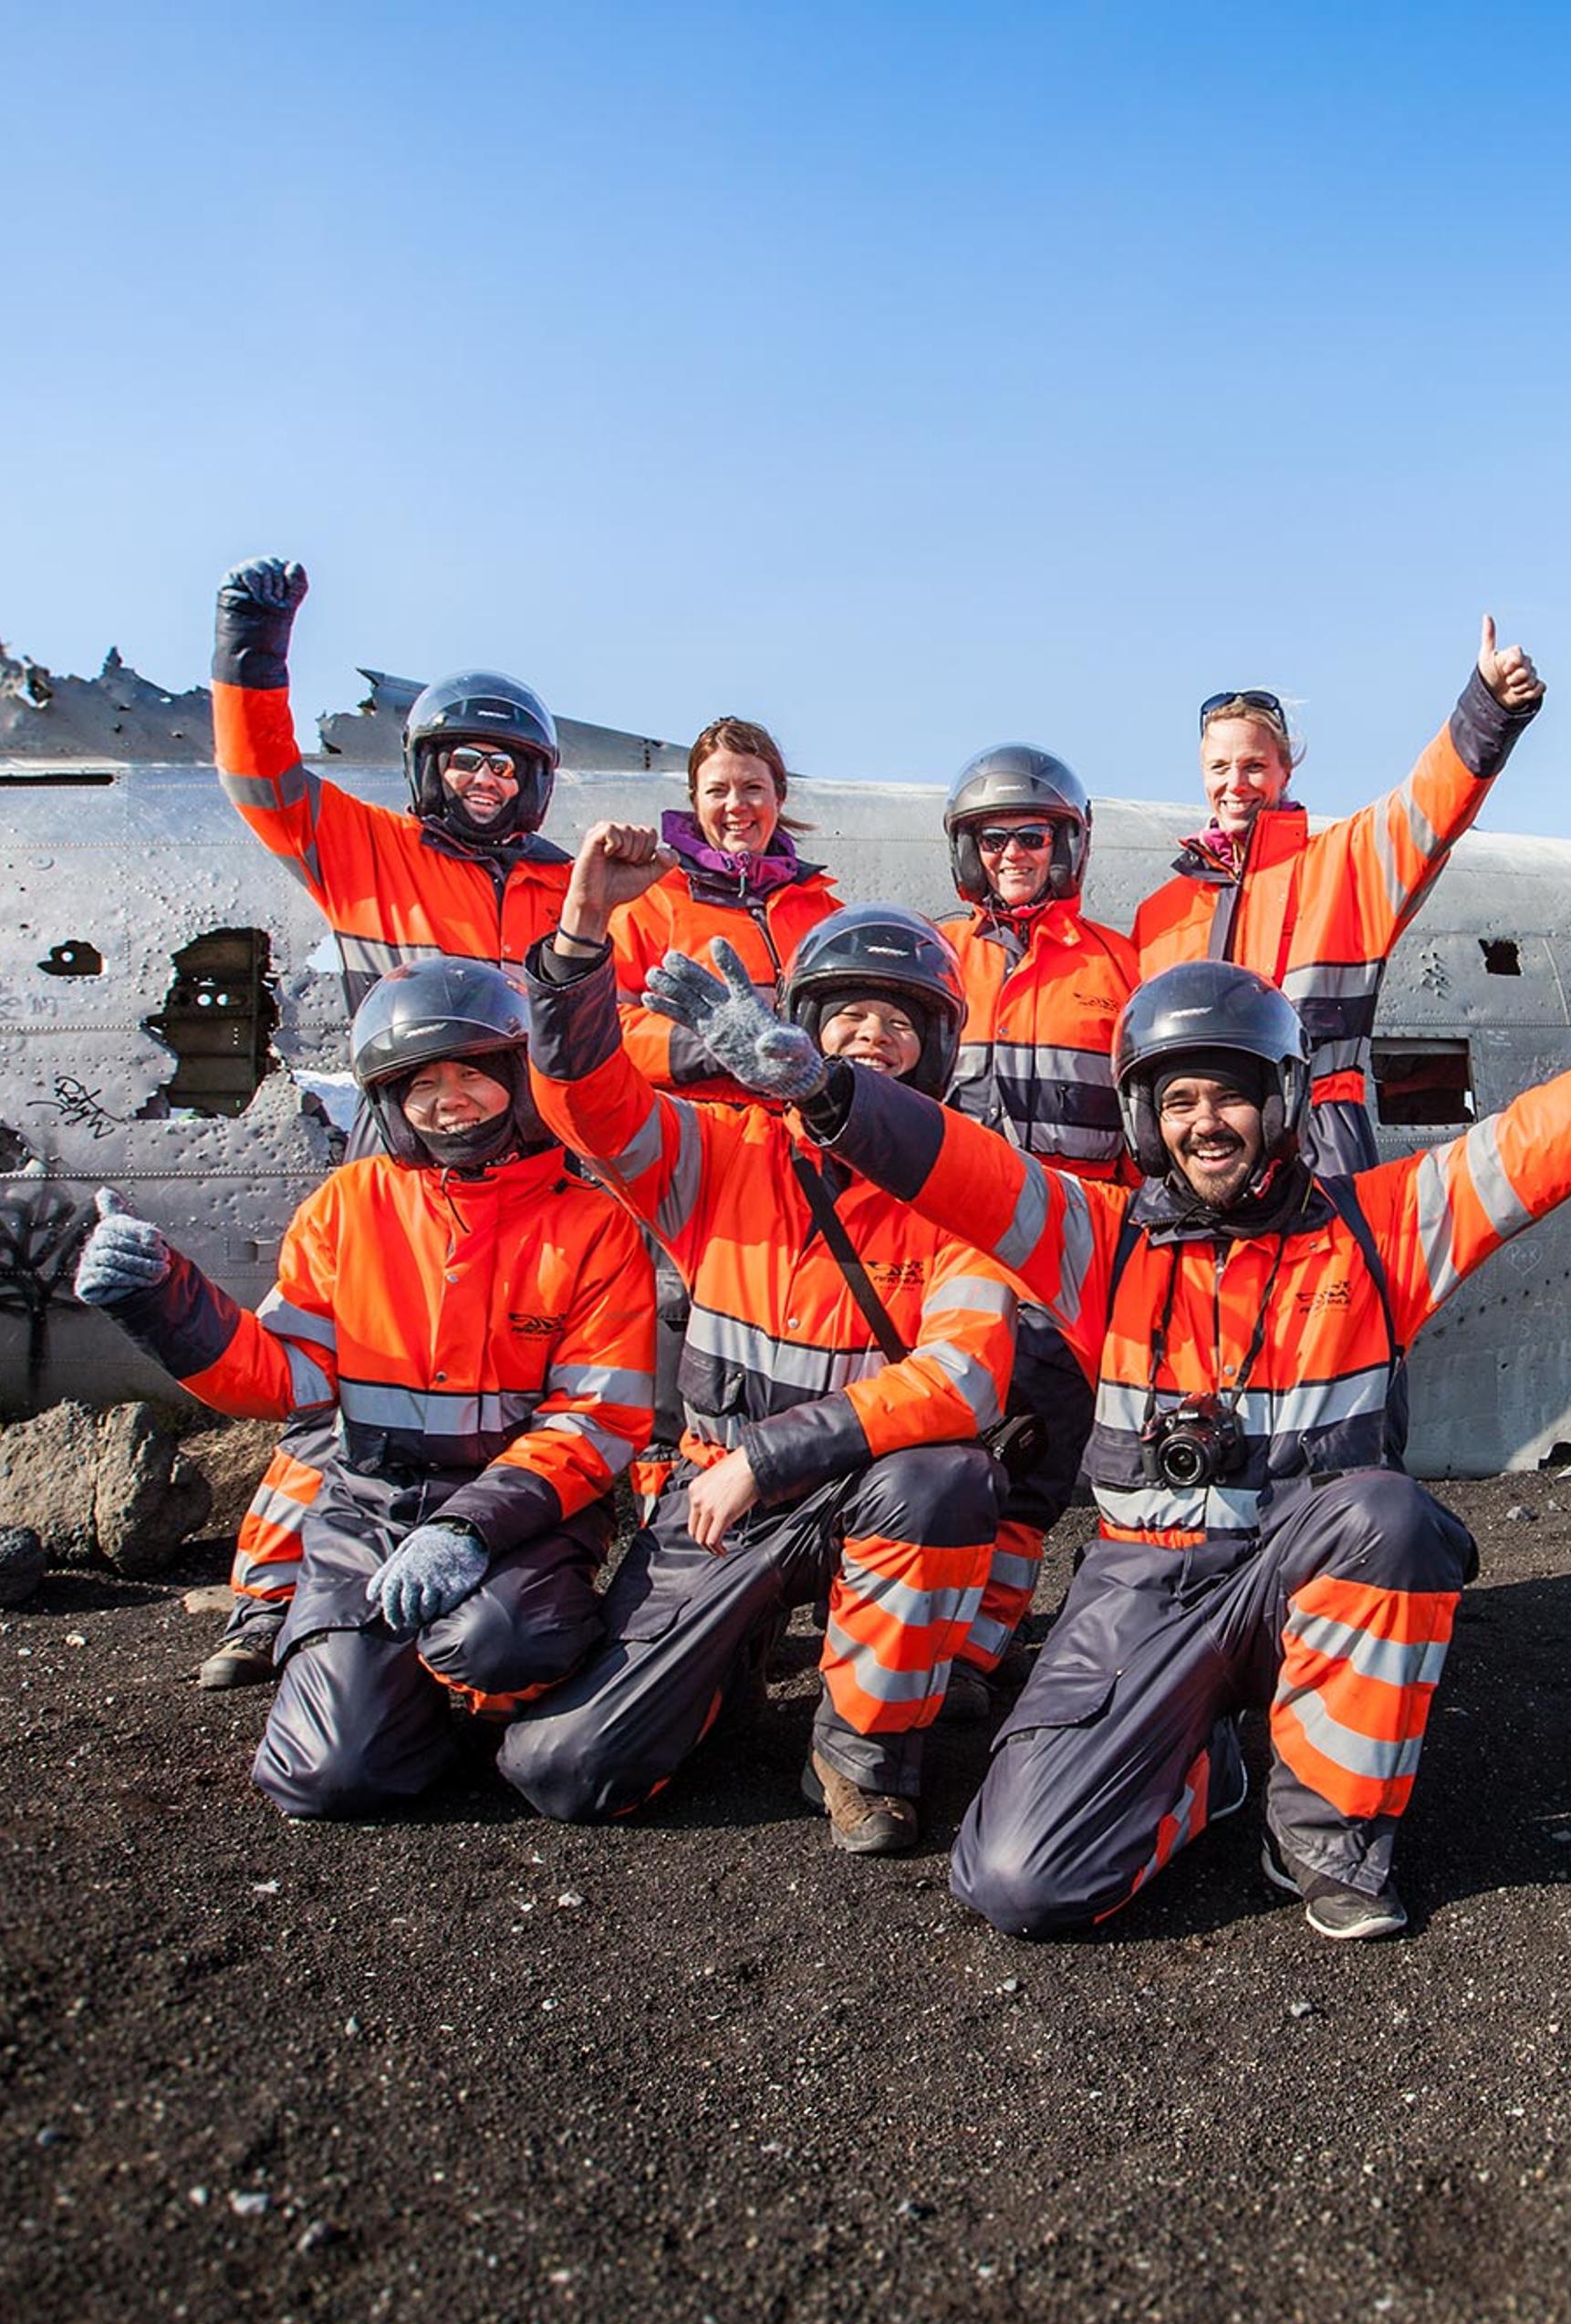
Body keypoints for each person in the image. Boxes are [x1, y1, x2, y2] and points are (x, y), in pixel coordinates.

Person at [649, 891, 1571, 1940]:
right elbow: (949, 1159)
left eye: (1231, 1094)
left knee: (1391, 1519)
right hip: (1147, 1583)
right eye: (1177, 1100)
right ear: (1144, 1118)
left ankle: (1327, 1834)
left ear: (1282, 1102)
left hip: (1299, 1571)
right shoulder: (1096, 1240)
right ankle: (1206, 1765)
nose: (1205, 1122)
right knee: (1019, 1880)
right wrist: (816, 1084)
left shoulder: (1382, 1226)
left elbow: (1544, 1137)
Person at [502, 835, 1017, 1852]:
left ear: (939, 1047)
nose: (872, 1037)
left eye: (899, 1024)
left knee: (947, 1480)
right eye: (849, 1018)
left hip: (841, 1496)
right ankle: (722, 1664)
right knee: (569, 1771)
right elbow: (585, 1108)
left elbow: (964, 1379)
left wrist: (767, 1456)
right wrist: (578, 941)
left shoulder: (965, 1184)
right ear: (802, 1032)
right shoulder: (718, 1155)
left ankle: (860, 1754)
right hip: (710, 1504)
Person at [69, 959, 656, 1821]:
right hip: (370, 1506)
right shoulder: (346, 1207)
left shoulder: (592, 1222)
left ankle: (498, 1683)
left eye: (472, 1073)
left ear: (515, 1077)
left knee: (504, 1641)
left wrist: (468, 1526)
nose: (448, 1099)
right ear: (388, 1103)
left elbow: (599, 1415)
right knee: (331, 1779)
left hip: (525, 1512)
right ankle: (395, 1688)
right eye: (419, 1083)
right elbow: (283, 1375)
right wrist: (162, 1297)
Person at [194, 555, 587, 1691]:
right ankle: (266, 1601)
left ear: (538, 780)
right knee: (342, 1382)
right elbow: (260, 776)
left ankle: (499, 1566)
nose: (485, 778)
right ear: (427, 768)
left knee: (521, 1385)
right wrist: (251, 653)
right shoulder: (368, 849)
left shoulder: (571, 891)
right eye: (464, 756)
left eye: (508, 763)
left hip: (534, 1169)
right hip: (395, 1161)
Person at [1132, 622, 1545, 1177]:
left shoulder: (1344, 866)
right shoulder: (1161, 914)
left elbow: (1427, 808)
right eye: (1220, 768)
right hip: (1205, 1160)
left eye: (1255, 766)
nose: (1237, 783)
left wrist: (1488, 707)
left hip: (1318, 1152)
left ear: (1286, 768)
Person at [932, 746, 1140, 1718]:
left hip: (1069, 1260)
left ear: (1068, 846)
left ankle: (981, 1648)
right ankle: (915, 1637)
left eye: (1032, 836)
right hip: (944, 1264)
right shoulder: (931, 956)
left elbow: (1150, 1128)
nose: (1013, 854)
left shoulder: (1120, 968)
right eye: (993, 839)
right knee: (939, 1451)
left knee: (1041, 1458)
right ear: (968, 853)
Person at [599, 717, 846, 1104]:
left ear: (779, 798)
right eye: (717, 791)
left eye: (753, 788)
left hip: (807, 1136)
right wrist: (716, 1046)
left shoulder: (828, 916)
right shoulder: (650, 902)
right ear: (695, 801)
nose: (736, 806)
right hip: (697, 1136)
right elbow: (601, 1030)